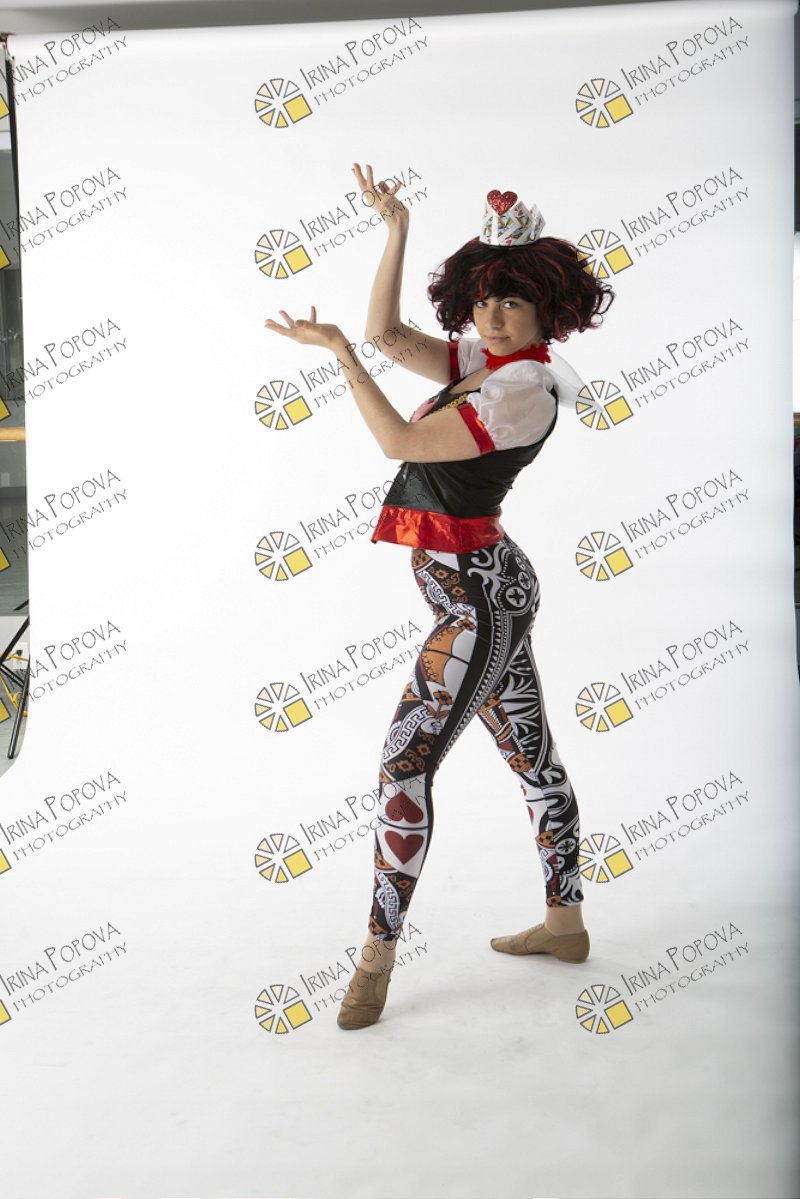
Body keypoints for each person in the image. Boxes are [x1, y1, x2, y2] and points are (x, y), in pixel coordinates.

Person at [265, 163, 615, 1030]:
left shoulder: (521, 390)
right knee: (533, 759)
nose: (492, 315)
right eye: (485, 298)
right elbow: (388, 332)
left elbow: (395, 440)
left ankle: (376, 958)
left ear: (547, 311)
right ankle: (566, 925)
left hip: (477, 604)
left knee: (403, 765)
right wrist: (397, 230)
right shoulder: (486, 362)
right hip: (486, 589)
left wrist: (340, 357)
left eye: (512, 302)